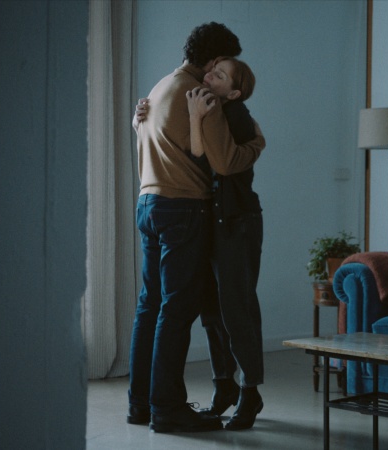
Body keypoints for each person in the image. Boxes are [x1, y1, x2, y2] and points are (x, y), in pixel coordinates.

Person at [127, 22, 265, 434]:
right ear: (213, 59)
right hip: (182, 207)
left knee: (150, 306)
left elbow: (148, 134)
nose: (216, 74)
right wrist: (256, 145)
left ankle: (140, 404)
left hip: (147, 202)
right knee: (177, 309)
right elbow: (224, 161)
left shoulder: (160, 87)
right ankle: (167, 408)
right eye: (221, 64)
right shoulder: (200, 95)